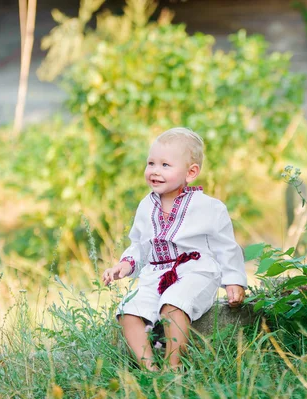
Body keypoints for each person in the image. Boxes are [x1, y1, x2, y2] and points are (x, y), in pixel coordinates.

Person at [102, 127, 247, 371]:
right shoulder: (146, 206)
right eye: (151, 163)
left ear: (191, 172)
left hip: (195, 271)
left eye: (165, 165)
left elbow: (225, 246)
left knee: (173, 304)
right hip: (155, 275)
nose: (155, 171)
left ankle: (173, 366)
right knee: (128, 311)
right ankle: (150, 369)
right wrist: (125, 264)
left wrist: (234, 281)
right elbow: (140, 244)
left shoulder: (208, 207)